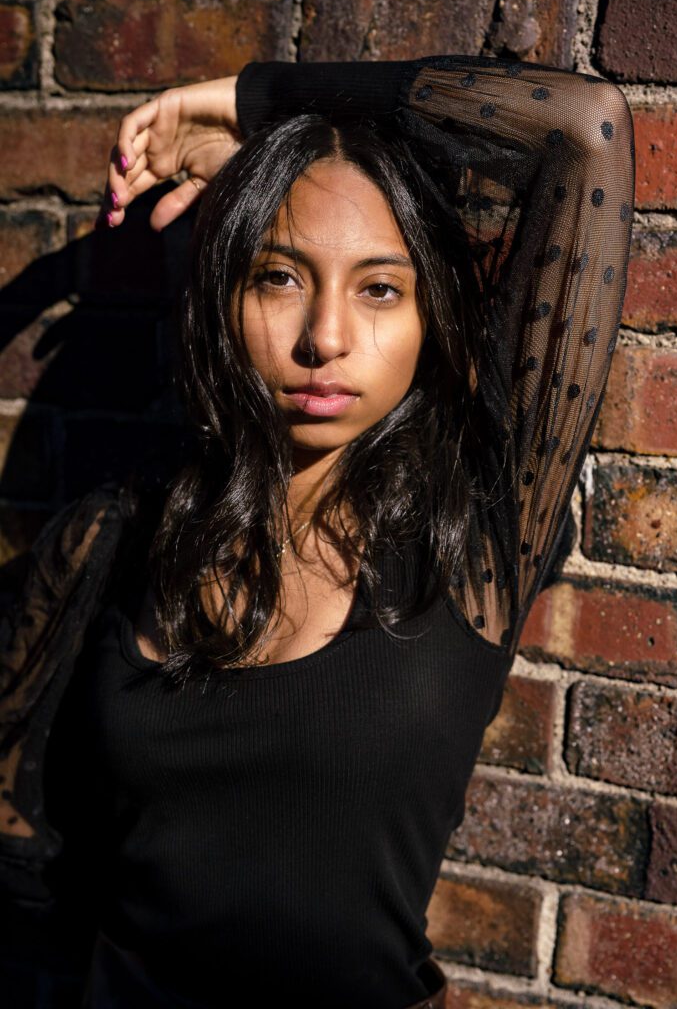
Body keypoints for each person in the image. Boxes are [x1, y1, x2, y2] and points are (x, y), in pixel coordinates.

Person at [0, 55, 635, 1008]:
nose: (324, 338)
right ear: (223, 300)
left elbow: (584, 129)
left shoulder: (473, 532)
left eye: (379, 289)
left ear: (429, 320)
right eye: (279, 277)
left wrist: (254, 102)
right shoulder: (121, 533)